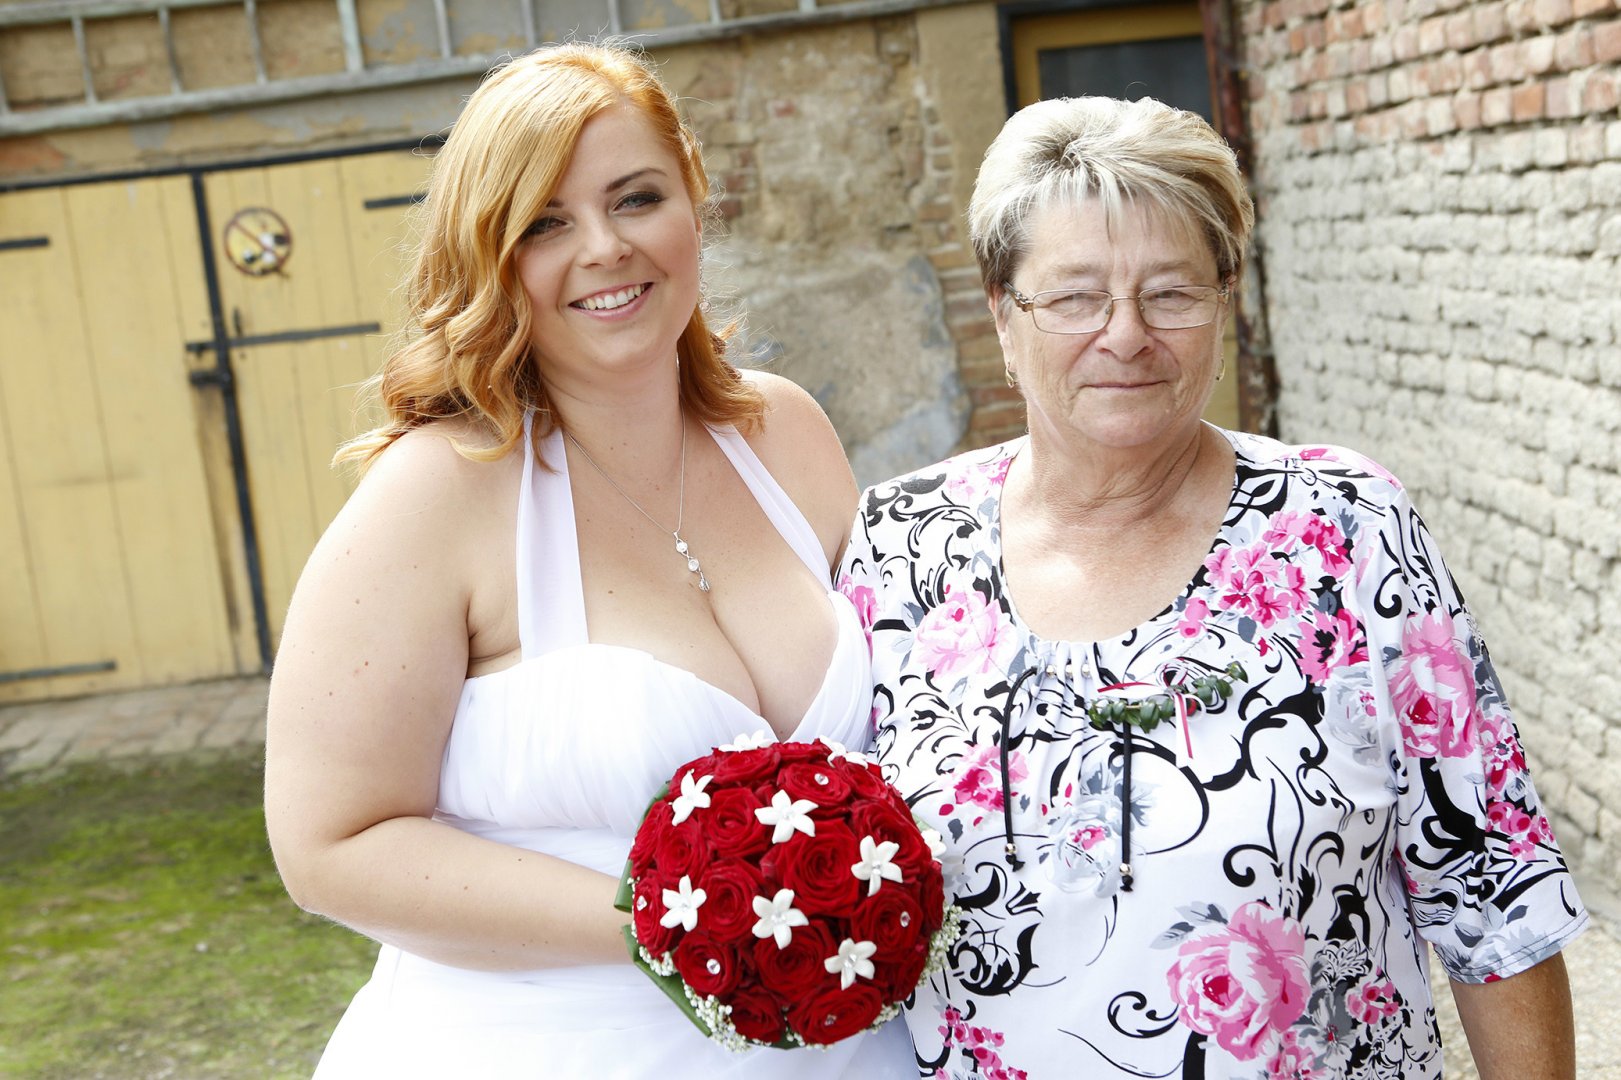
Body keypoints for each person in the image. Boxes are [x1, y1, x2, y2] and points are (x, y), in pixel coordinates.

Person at [837, 95, 1585, 1080]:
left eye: (1170, 293)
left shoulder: (1344, 527)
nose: (1124, 334)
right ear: (1002, 314)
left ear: (1224, 302)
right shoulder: (900, 546)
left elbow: (1490, 891)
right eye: (1073, 297)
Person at [264, 42, 912, 1078]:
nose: (606, 247)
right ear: (488, 256)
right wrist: (672, 919)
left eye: (636, 198)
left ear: (692, 200)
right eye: (545, 223)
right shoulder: (436, 494)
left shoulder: (784, 433)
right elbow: (328, 846)